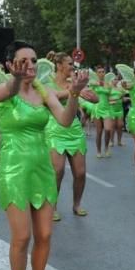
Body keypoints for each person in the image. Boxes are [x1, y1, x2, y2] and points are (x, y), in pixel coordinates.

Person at [0, 41, 88, 270]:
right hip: (14, 170)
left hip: (42, 168)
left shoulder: (42, 90)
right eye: (23, 61)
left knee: (44, 234)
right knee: (21, 237)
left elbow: (65, 120)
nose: (30, 66)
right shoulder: (3, 90)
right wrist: (16, 79)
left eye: (33, 60)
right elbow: (5, 92)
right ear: (10, 65)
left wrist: (75, 94)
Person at [45, 53, 93, 219]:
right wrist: (74, 91)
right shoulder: (47, 82)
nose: (73, 66)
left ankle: (77, 204)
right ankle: (53, 205)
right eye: (70, 64)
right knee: (57, 171)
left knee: (80, 173)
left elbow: (95, 98)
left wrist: (87, 93)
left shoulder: (74, 83)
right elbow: (53, 97)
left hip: (74, 130)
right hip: (54, 129)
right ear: (59, 65)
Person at [91, 65, 113, 157]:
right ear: (96, 73)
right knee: (99, 132)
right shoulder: (94, 82)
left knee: (108, 129)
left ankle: (106, 147)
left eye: (102, 71)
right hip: (97, 108)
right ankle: (99, 151)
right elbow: (91, 85)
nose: (101, 73)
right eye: (99, 72)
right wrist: (97, 83)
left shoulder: (109, 84)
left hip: (107, 109)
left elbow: (110, 95)